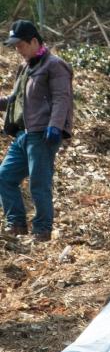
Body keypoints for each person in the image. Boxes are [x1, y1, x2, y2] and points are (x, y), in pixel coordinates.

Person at [0, 20, 73, 242]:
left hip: (42, 134)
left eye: (20, 45)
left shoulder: (54, 65)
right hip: (23, 134)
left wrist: (55, 126)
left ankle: (42, 231)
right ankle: (17, 224)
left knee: (39, 184)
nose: (17, 50)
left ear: (34, 41)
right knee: (4, 177)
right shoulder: (25, 67)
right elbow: (17, 100)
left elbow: (62, 98)